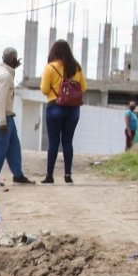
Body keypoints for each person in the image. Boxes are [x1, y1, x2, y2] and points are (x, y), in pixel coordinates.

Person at [38, 39, 87, 184]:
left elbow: (44, 89)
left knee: (53, 142)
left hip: (55, 107)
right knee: (68, 142)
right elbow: (83, 88)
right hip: (73, 109)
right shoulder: (76, 68)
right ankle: (67, 175)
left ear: (54, 52)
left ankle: (49, 175)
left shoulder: (50, 68)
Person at [0, 47, 34, 186]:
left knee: (14, 146)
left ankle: (18, 175)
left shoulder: (0, 71)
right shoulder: (6, 76)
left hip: (6, 116)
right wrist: (2, 122)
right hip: (1, 117)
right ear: (13, 60)